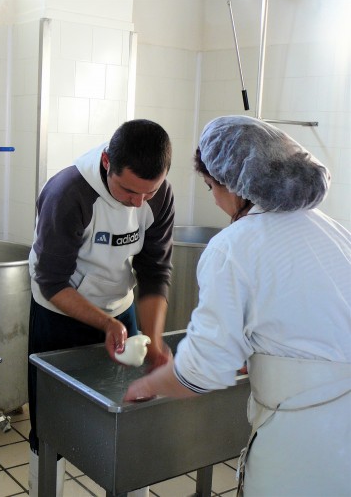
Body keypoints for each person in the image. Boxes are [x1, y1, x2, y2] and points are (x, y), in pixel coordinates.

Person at [124, 115, 351, 496]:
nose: (213, 197)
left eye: (211, 186)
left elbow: (205, 369)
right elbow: (307, 324)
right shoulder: (333, 229)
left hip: (306, 439)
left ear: (235, 184)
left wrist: (149, 384)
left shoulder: (234, 245)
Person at [28, 119, 174, 497]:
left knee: (130, 415)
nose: (138, 202)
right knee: (52, 421)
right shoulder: (68, 192)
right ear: (108, 161)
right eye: (128, 191)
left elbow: (155, 271)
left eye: (149, 192)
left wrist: (154, 339)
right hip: (58, 313)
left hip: (119, 309)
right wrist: (106, 325)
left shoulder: (156, 194)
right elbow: (51, 281)